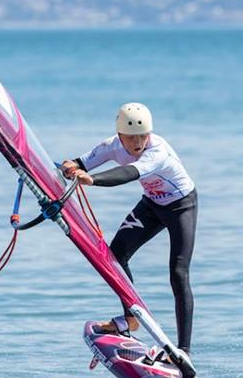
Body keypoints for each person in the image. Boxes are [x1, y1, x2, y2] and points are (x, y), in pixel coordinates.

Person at [60, 102, 198, 357]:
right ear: (120, 135)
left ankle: (184, 350)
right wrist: (70, 166)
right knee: (116, 255)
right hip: (152, 205)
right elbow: (83, 162)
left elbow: (128, 172)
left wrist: (93, 180)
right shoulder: (112, 145)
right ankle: (130, 320)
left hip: (182, 207)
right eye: (131, 137)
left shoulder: (157, 151)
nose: (138, 143)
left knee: (178, 273)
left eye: (142, 136)